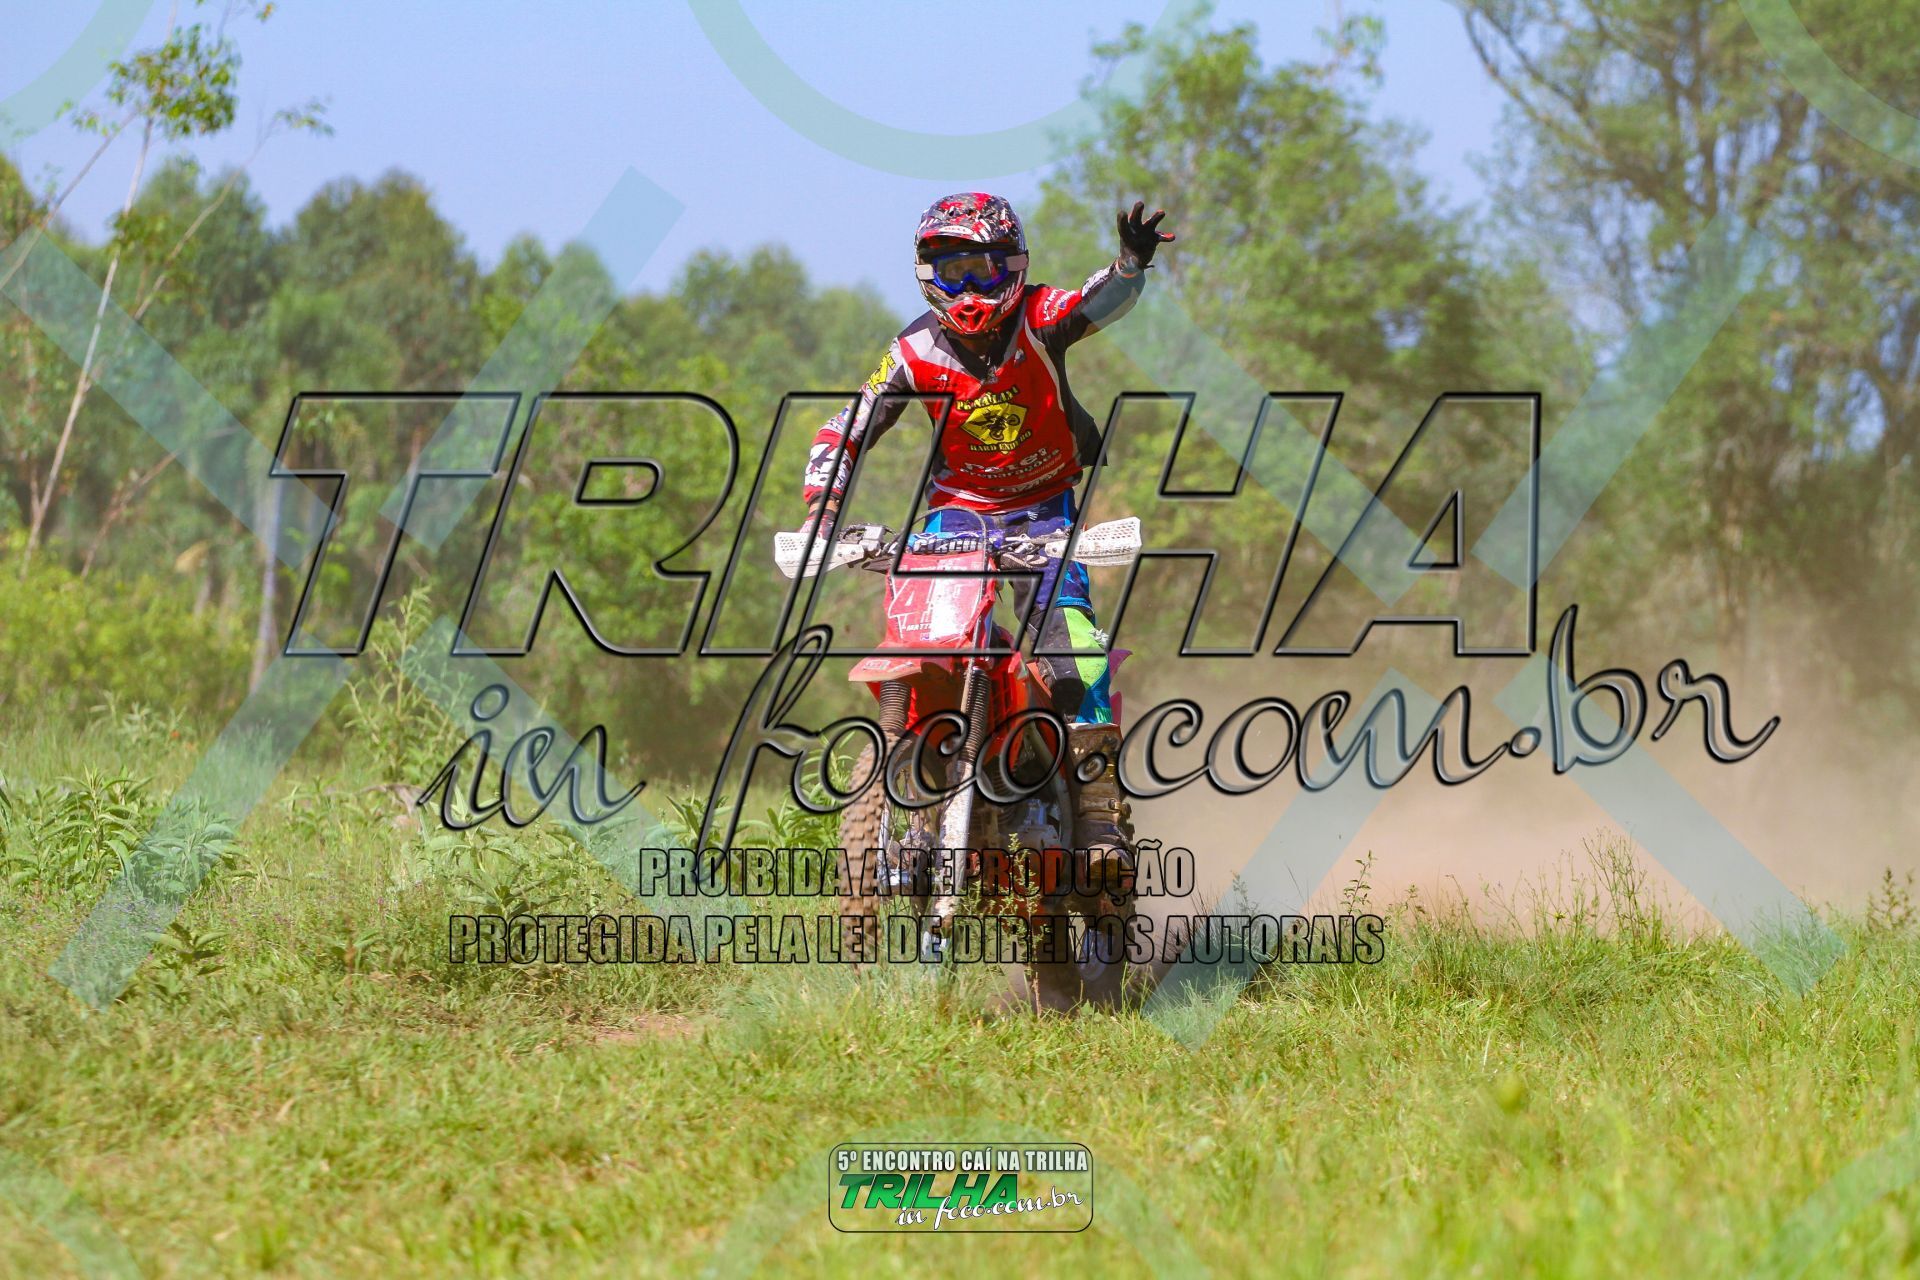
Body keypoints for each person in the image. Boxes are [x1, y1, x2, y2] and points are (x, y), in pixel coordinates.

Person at [799, 191, 1174, 886]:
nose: (969, 288)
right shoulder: (913, 351)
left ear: (1012, 265)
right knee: (918, 635)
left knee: (1073, 643)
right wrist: (822, 510)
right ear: (927, 275)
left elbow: (1100, 302)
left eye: (982, 269)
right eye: (953, 271)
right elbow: (847, 427)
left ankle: (1097, 814)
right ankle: (915, 777)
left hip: (1044, 508)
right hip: (957, 514)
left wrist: (1129, 263)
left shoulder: (1040, 316)